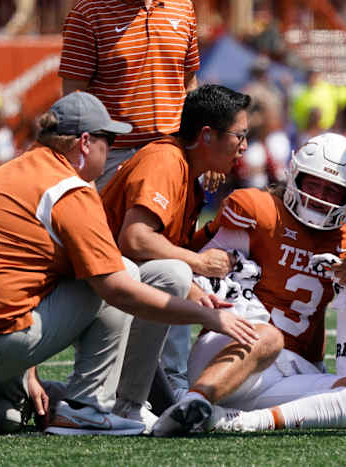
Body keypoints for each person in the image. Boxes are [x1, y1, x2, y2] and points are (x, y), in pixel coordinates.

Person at [0, 91, 257, 437]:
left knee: (7, 419)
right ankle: (89, 406)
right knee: (124, 273)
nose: (111, 151)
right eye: (107, 140)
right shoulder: (70, 190)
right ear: (84, 143)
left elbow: (15, 277)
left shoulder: (13, 172)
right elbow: (118, 286)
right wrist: (207, 315)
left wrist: (27, 373)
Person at [151, 132, 346, 437]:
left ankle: (239, 421)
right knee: (268, 336)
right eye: (312, 184)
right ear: (294, 177)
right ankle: (193, 401)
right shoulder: (257, 211)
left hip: (292, 373)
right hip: (231, 351)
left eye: (333, 191)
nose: (319, 197)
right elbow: (183, 271)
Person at [100, 84, 251, 425]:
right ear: (208, 136)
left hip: (110, 282)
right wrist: (199, 264)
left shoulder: (184, 169)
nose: (244, 147)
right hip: (92, 288)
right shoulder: (166, 161)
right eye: (239, 136)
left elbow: (155, 249)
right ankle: (126, 402)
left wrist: (201, 294)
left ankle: (113, 399)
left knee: (184, 280)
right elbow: (135, 239)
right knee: (176, 274)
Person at [58, 0, 201, 190]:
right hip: (113, 156)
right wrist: (86, 167)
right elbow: (73, 99)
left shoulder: (183, 6)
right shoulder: (87, 13)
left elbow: (189, 84)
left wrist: (200, 146)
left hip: (175, 151)